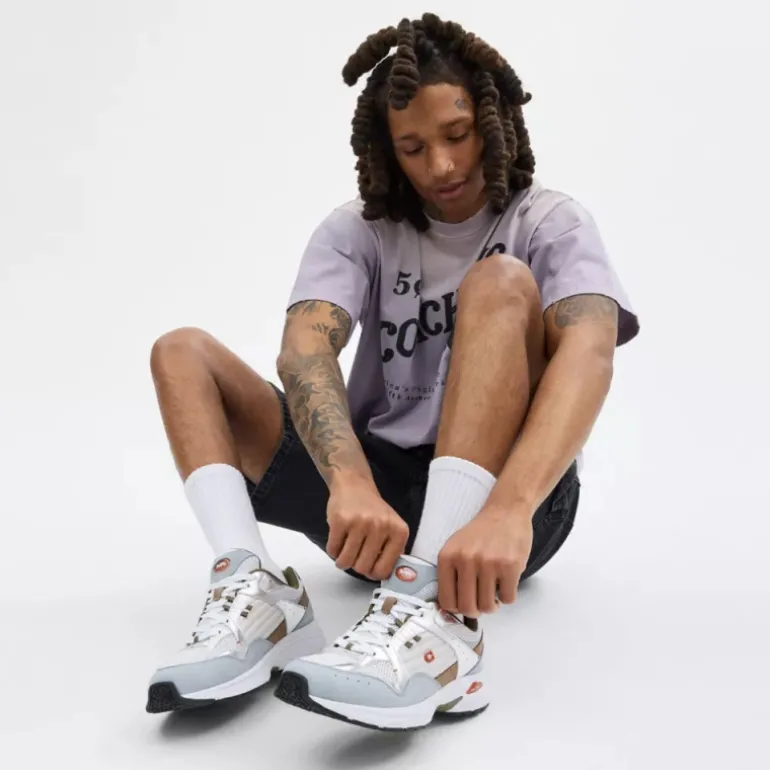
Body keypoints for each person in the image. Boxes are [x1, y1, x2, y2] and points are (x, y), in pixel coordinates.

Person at [145, 13, 639, 731]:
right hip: (373, 511)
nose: (441, 165)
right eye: (413, 147)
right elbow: (305, 350)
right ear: (387, 149)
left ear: (493, 123)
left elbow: (590, 353)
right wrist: (348, 481)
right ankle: (255, 592)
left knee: (501, 280)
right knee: (181, 351)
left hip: (509, 511)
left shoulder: (549, 223)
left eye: (457, 135)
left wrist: (510, 510)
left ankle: (441, 620)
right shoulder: (358, 230)